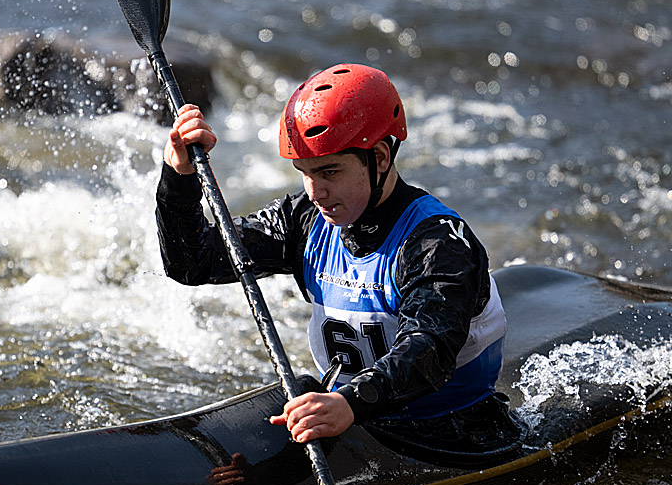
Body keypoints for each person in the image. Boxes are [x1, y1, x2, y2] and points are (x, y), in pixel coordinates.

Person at [156, 63, 522, 463]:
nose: (315, 191)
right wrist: (180, 178)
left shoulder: (438, 243)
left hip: (452, 436)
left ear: (379, 158)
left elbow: (428, 348)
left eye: (329, 171)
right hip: (357, 421)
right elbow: (193, 263)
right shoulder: (305, 220)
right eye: (305, 173)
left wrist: (351, 403)